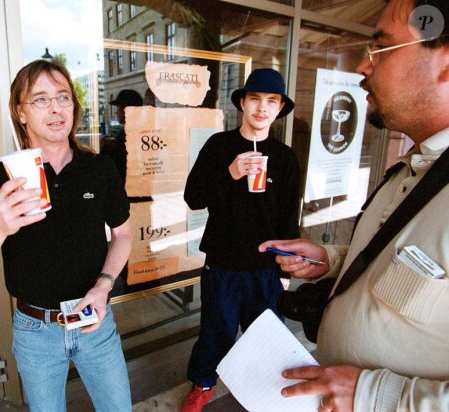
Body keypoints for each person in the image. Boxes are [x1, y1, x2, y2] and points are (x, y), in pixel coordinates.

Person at [259, 0, 448, 411]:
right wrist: (333, 257)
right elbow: (404, 266)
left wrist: (373, 394)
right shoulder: (412, 167)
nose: (363, 68)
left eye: (380, 50)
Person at [0, 59, 133, 412]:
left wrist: (103, 287)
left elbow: (124, 235)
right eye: (40, 99)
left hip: (95, 321)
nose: (55, 108)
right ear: (20, 113)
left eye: (63, 97)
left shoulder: (99, 169)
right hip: (35, 330)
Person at [181, 68, 300, 411]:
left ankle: (262, 393)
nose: (262, 108)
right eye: (255, 100)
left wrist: (286, 270)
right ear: (243, 104)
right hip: (223, 261)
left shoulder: (285, 158)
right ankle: (203, 384)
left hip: (266, 266)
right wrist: (230, 173)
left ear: (279, 109)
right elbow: (193, 197)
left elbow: (289, 216)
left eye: (271, 102)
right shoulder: (219, 146)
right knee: (215, 331)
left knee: (265, 337)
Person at [100, 89, 143, 185]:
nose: (116, 113)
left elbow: (113, 168)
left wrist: (104, 147)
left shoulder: (126, 135)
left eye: (118, 108)